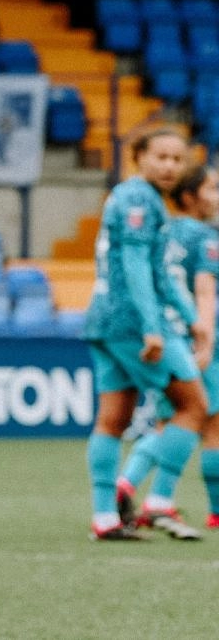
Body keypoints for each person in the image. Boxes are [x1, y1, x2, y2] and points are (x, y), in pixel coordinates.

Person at [83, 127, 210, 544]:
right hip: (133, 324)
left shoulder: (140, 198)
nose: (170, 166)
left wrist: (192, 317)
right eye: (161, 157)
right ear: (138, 156)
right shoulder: (140, 198)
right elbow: (138, 267)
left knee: (113, 419)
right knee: (193, 407)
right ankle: (158, 502)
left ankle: (105, 517)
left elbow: (160, 271)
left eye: (178, 159)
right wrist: (154, 328)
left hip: (103, 319)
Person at [114, 161, 218, 538]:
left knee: (169, 421)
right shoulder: (204, 236)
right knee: (204, 421)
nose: (217, 198)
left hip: (167, 330)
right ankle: (161, 500)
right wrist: (204, 337)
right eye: (212, 189)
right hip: (194, 337)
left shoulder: (166, 229)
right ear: (190, 196)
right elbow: (205, 291)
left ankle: (136, 490)